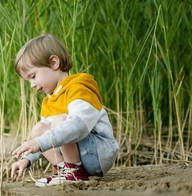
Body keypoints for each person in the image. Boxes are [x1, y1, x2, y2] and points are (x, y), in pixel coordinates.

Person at [10, 34, 118, 187]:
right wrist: (27, 159)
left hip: (98, 153)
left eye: (33, 76)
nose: (32, 85)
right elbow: (45, 138)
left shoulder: (78, 88)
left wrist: (39, 143)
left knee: (60, 122)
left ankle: (74, 171)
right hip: (81, 155)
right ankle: (65, 171)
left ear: (54, 63)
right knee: (39, 129)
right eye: (29, 80)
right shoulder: (49, 100)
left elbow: (77, 127)